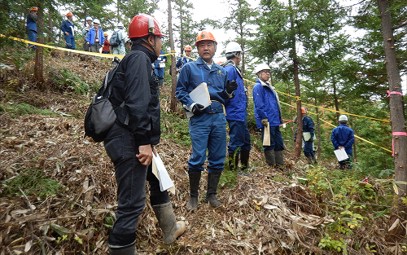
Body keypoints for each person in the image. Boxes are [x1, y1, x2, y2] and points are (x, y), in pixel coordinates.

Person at [103, 14, 185, 255]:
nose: (161, 44)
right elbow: (138, 104)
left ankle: (170, 229)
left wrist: (148, 141)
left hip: (132, 135)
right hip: (128, 139)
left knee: (157, 178)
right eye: (159, 38)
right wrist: (143, 143)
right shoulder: (139, 59)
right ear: (150, 38)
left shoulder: (134, 59)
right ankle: (121, 249)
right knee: (132, 202)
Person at [176, 30, 237, 211]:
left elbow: (225, 98)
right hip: (200, 117)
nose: (206, 48)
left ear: (215, 47)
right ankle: (193, 196)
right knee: (198, 157)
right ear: (197, 49)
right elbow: (180, 91)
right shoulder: (189, 68)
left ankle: (211, 194)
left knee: (218, 157)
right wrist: (191, 104)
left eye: (209, 44)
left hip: (218, 117)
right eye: (202, 45)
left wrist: (228, 92)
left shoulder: (221, 71)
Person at [223, 41, 251, 173]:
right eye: (239, 54)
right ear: (236, 54)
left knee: (245, 141)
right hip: (234, 112)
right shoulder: (229, 69)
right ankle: (233, 170)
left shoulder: (235, 69)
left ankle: (244, 168)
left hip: (240, 112)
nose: (240, 57)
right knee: (236, 142)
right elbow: (225, 92)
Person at [252, 63, 285, 168]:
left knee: (279, 143)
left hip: (275, 121)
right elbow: (259, 105)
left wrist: (280, 119)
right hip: (267, 121)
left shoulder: (270, 88)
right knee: (269, 144)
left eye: (268, 72)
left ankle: (280, 166)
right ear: (259, 74)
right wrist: (264, 118)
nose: (268, 74)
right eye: (265, 72)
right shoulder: (258, 87)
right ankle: (272, 167)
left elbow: (276, 105)